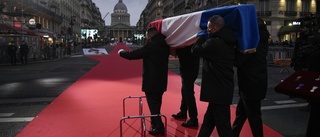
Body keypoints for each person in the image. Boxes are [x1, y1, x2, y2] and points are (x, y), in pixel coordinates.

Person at [118, 27, 170, 136]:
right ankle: (154, 122)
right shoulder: (165, 45)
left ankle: (159, 127)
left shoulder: (151, 45)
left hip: (151, 80)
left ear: (150, 35)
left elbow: (135, 54)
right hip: (162, 79)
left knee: (153, 105)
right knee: (157, 103)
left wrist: (122, 53)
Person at [191, 15, 236, 137]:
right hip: (221, 88)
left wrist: (200, 38)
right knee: (208, 122)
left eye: (209, 27)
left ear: (215, 27)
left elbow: (195, 50)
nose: (208, 30)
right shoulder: (229, 41)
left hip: (217, 90)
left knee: (223, 127)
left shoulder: (214, 42)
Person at [231, 18, 270, 137]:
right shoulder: (261, 40)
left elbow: (239, 61)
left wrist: (234, 49)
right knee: (242, 113)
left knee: (253, 116)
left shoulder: (253, 42)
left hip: (250, 84)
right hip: (254, 83)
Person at [171, 45, 200, 127]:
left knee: (188, 93)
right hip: (187, 69)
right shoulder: (188, 44)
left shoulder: (189, 45)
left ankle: (193, 118)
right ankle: (183, 111)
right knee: (185, 91)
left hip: (189, 70)